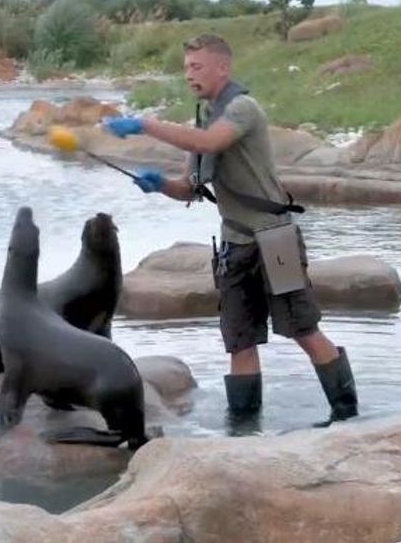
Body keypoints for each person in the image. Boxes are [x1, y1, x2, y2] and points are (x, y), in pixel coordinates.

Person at [101, 33, 358, 429]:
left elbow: (211, 142)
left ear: (223, 68)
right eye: (186, 68)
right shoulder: (205, 118)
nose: (189, 75)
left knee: (303, 330)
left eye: (197, 66)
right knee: (240, 341)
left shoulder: (242, 108)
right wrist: (160, 184)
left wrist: (145, 124)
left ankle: (347, 417)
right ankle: (243, 432)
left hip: (275, 240)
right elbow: (189, 188)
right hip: (234, 244)